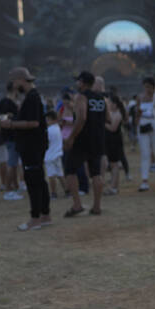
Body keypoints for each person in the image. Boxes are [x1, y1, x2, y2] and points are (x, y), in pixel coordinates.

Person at [3, 67, 50, 231]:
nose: (14, 85)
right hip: (34, 145)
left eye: (14, 82)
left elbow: (34, 123)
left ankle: (35, 218)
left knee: (33, 181)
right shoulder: (32, 96)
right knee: (39, 179)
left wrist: (10, 124)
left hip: (32, 146)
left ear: (21, 80)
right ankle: (45, 215)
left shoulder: (32, 97)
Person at [61, 71, 106, 215]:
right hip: (97, 139)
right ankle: (97, 207)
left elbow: (81, 119)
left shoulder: (81, 97)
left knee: (70, 170)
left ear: (83, 82)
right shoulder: (101, 98)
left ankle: (77, 206)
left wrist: (71, 137)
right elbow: (108, 118)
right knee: (96, 173)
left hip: (82, 139)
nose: (76, 84)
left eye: (78, 81)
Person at [0, 83, 22, 200]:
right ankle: (8, 190)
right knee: (12, 164)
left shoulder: (3, 102)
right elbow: (4, 120)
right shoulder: (8, 103)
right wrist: (12, 117)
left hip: (8, 137)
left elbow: (1, 119)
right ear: (14, 90)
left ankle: (14, 186)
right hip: (12, 137)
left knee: (13, 163)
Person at [135, 77, 155, 192]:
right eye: (145, 87)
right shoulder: (140, 97)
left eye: (149, 87)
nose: (147, 89)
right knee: (145, 153)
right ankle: (144, 180)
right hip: (143, 126)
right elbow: (137, 114)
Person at [104, 91, 128, 194]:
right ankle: (114, 186)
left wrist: (102, 123)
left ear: (115, 104)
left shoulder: (118, 114)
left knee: (114, 165)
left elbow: (113, 128)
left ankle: (114, 187)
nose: (108, 104)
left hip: (114, 141)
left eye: (109, 102)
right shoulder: (112, 113)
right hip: (110, 141)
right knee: (112, 164)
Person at [44, 109, 64, 199]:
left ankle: (53, 193)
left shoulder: (48, 130)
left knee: (51, 175)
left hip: (50, 155)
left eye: (47, 120)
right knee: (60, 174)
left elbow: (45, 142)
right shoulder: (58, 128)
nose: (46, 122)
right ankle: (67, 190)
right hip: (58, 153)